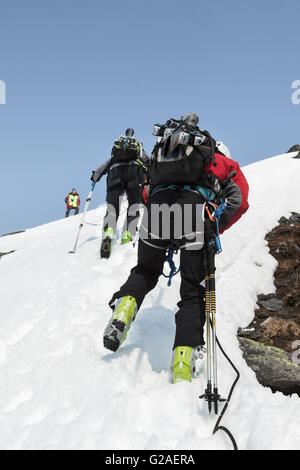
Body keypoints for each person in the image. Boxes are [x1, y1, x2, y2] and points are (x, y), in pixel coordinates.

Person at [102, 113, 249, 383]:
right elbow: (239, 202)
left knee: (146, 270)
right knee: (193, 291)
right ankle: (183, 361)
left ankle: (124, 307)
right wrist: (214, 227)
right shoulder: (222, 162)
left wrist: (166, 229)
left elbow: (147, 193)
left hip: (157, 211)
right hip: (195, 215)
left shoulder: (166, 155)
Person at [91, 128, 149, 258]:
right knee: (133, 205)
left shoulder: (116, 155)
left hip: (114, 174)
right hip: (134, 175)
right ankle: (127, 233)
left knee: (112, 207)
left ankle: (109, 230)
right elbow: (148, 163)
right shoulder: (139, 151)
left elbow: (102, 167)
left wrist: (95, 177)